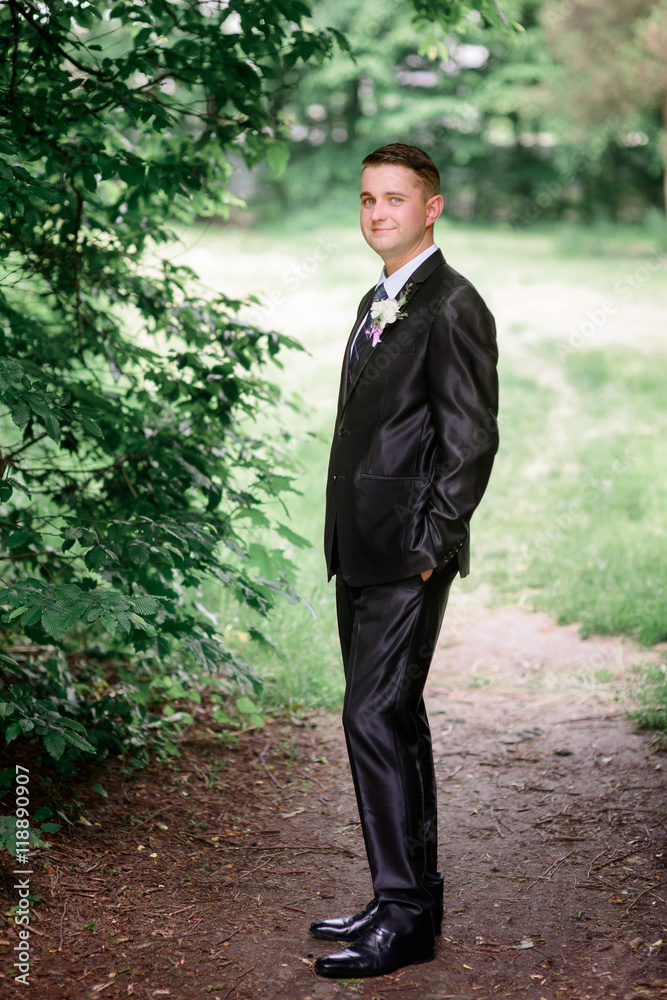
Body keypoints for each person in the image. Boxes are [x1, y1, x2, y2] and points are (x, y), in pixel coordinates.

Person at [311, 143, 499, 978]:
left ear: (431, 208)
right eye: (365, 199)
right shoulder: (376, 297)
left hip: (406, 554)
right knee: (390, 719)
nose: (376, 212)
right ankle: (404, 904)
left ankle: (404, 915)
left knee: (371, 717)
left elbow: (470, 440)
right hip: (359, 546)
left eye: (394, 199)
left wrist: (431, 543)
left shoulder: (452, 304)